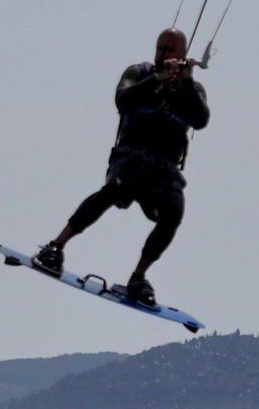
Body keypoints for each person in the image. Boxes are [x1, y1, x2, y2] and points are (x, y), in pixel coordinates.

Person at [35, 28, 210, 307]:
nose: (163, 54)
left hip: (163, 170)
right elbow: (123, 100)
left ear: (182, 55)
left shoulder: (193, 89)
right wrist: (159, 77)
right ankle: (55, 246)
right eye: (160, 48)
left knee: (173, 213)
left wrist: (185, 82)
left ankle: (138, 277)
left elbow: (201, 120)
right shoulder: (138, 72)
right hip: (130, 157)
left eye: (170, 50)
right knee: (115, 188)